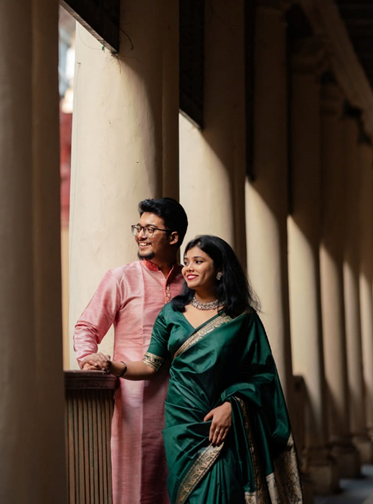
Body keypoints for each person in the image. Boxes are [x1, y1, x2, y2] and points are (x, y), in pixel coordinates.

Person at [84, 235, 303, 503]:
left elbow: (262, 375)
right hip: (182, 422)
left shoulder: (242, 318)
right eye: (186, 262)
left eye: (198, 261)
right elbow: (151, 365)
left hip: (223, 423)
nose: (188, 268)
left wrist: (233, 406)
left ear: (220, 269)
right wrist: (110, 365)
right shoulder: (171, 314)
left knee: (224, 491)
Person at [73, 197, 188, 504]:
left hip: (188, 406)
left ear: (173, 237)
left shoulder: (189, 283)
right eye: (139, 227)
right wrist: (89, 359)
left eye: (150, 229)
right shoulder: (121, 277)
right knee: (137, 489)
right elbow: (87, 327)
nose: (140, 234)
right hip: (136, 405)